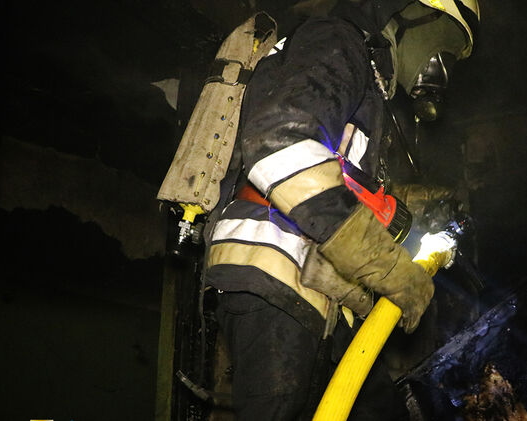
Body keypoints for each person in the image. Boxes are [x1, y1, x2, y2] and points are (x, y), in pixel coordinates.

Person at [203, 0, 479, 419]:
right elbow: (280, 143)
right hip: (277, 269)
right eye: (445, 44)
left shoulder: (365, 72)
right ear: (407, 12)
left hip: (321, 293)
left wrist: (407, 206)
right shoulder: (336, 38)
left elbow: (337, 176)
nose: (442, 67)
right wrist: (384, 266)